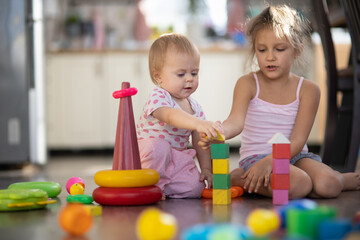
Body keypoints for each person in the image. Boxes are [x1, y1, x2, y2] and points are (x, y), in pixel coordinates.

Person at [199, 5, 360, 199]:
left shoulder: (309, 90)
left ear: (297, 50)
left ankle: (339, 179)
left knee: (330, 185)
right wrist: (218, 132)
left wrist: (271, 162)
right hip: (256, 159)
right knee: (300, 184)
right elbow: (235, 121)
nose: (269, 57)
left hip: (295, 156)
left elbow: (298, 141)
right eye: (262, 49)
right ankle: (240, 177)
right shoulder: (248, 83)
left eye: (279, 49)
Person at [136, 33, 222, 198]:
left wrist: (206, 169)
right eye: (181, 74)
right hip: (150, 157)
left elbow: (200, 142)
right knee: (159, 148)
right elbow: (169, 115)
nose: (189, 79)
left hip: (177, 159)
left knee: (195, 188)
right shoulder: (159, 96)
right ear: (158, 77)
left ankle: (163, 188)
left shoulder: (195, 108)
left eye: (194, 73)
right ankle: (148, 185)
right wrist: (197, 123)